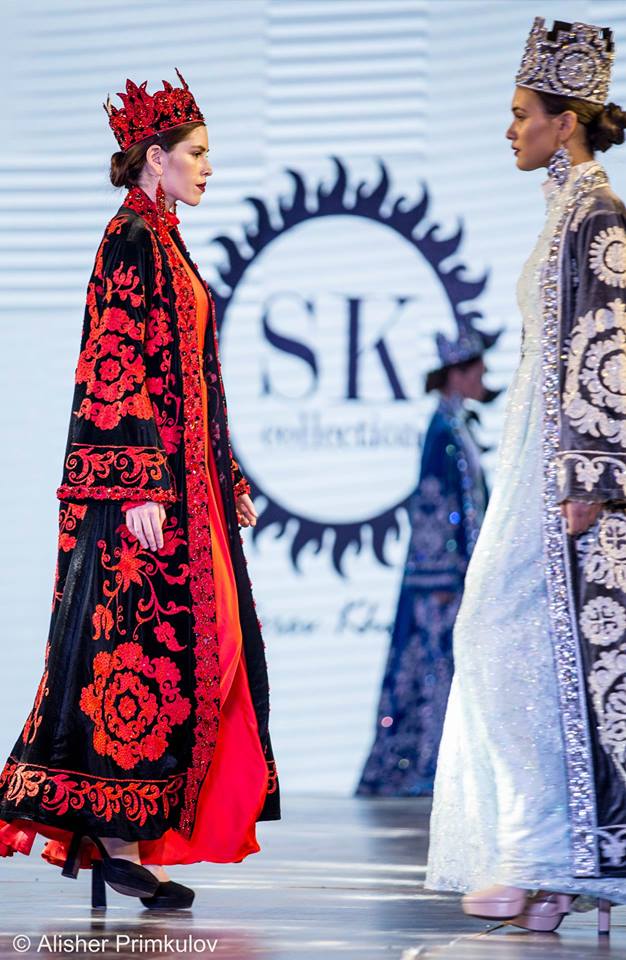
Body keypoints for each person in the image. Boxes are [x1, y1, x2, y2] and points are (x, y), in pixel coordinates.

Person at [0, 69, 280, 911]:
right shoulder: (129, 238)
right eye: (197, 153)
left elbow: (194, 381)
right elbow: (113, 363)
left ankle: (125, 840)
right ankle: (117, 840)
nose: (208, 167)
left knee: (195, 653)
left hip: (186, 493)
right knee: (131, 656)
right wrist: (135, 484)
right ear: (155, 158)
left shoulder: (164, 240)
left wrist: (227, 477)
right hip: (146, 499)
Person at [425, 18, 626, 935]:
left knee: (501, 635)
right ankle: (551, 866)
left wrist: (591, 475)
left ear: (564, 121)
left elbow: (609, 348)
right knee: (522, 647)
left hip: (566, 468)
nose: (510, 129)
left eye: (521, 113)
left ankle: (538, 851)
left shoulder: (599, 213)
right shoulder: (567, 209)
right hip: (534, 456)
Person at [356, 327, 498, 796]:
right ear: (457, 374)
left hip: (457, 575)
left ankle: (443, 764)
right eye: (477, 372)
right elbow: (434, 506)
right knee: (433, 668)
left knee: (446, 667)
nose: (482, 380)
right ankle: (423, 764)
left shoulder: (457, 426)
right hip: (440, 580)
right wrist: (439, 575)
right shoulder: (443, 431)